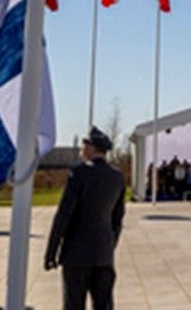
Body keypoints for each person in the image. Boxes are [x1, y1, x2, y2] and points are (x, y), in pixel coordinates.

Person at [45, 128, 125, 310]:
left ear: (92, 148)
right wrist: (109, 246)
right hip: (103, 254)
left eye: (85, 144)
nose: (82, 148)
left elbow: (63, 215)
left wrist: (52, 251)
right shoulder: (117, 177)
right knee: (104, 304)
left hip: (76, 254)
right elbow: (117, 219)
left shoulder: (79, 174)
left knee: (74, 304)